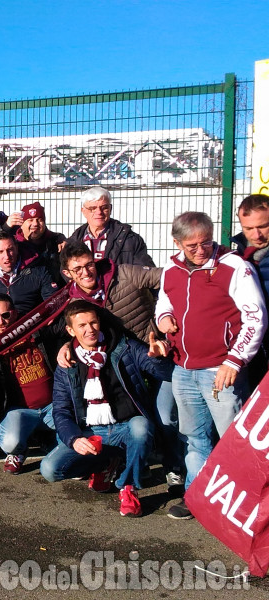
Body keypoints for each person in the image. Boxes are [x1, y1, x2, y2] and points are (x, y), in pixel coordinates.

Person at [155, 211, 267, 520]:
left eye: (206, 242)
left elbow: (255, 317)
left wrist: (235, 359)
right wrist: (163, 318)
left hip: (220, 370)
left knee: (234, 440)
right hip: (183, 369)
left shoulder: (234, 267)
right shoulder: (171, 269)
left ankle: (245, 509)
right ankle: (197, 497)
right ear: (177, 243)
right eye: (192, 246)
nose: (201, 251)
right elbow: (164, 301)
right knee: (195, 438)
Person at [58, 241, 183, 487]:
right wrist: (65, 346)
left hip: (154, 353)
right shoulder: (74, 301)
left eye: (89, 264)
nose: (86, 272)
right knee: (136, 417)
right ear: (68, 274)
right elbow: (77, 331)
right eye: (78, 269)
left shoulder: (123, 273)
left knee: (165, 416)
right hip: (122, 362)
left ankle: (174, 466)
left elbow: (167, 279)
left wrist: (167, 315)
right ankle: (137, 462)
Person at [40, 300, 172, 517]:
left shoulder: (124, 347)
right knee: (50, 469)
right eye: (82, 326)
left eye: (93, 323)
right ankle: (104, 464)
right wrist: (74, 439)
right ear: (70, 330)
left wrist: (157, 358)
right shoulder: (67, 363)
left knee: (142, 426)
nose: (89, 330)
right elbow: (61, 410)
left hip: (126, 426)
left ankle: (128, 486)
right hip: (92, 433)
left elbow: (164, 373)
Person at [0, 295, 56, 474]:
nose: (2, 321)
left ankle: (43, 437)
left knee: (74, 439)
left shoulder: (36, 330)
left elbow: (65, 330)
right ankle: (20, 451)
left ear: (15, 313)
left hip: (53, 406)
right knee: (10, 443)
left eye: (6, 315)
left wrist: (67, 346)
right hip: (19, 411)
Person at [0, 231, 58, 331]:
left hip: (32, 330)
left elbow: (53, 300)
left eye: (10, 250)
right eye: (0, 252)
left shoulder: (38, 271)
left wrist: (50, 312)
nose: (7, 256)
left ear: (16, 248)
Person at [232, 193, 269, 386]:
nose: (257, 235)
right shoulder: (237, 257)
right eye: (249, 228)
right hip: (249, 347)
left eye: (263, 226)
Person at [68, 186, 154, 267]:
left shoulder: (130, 239)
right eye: (92, 208)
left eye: (104, 207)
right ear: (83, 211)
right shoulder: (73, 241)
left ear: (110, 209)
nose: (99, 212)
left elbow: (145, 274)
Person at [14, 201, 67, 284]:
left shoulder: (56, 242)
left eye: (39, 220)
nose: (35, 224)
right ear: (22, 223)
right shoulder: (13, 244)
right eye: (30, 220)